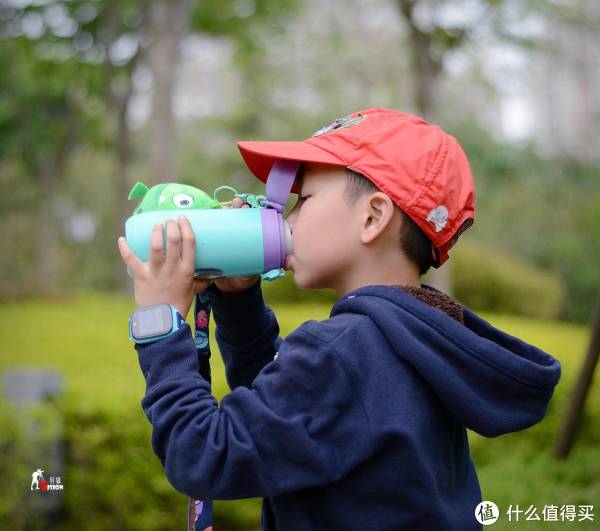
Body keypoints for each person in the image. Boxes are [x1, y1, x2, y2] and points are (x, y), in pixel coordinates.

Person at [117, 107, 561, 530]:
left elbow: (205, 454)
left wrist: (161, 322)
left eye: (303, 200)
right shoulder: (415, 335)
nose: (286, 219)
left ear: (372, 217)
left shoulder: (344, 351)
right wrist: (238, 303)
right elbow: (289, 420)